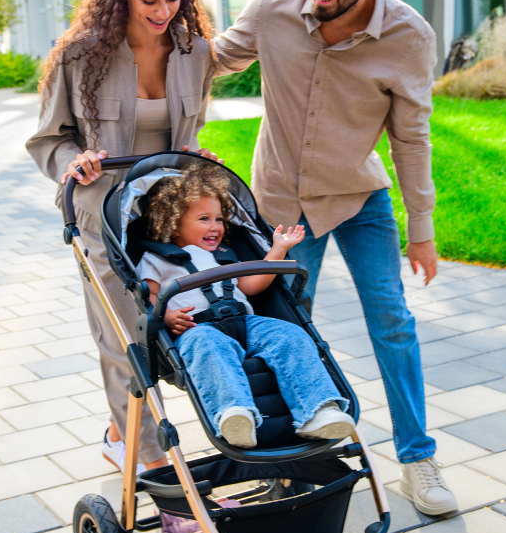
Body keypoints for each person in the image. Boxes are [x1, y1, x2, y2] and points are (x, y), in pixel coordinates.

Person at [212, 0, 457, 513]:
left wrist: (421, 230)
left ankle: (418, 458)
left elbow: (411, 137)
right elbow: (211, 62)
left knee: (393, 321)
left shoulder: (408, 37)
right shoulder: (274, 8)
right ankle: (294, 461)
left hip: (357, 196)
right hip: (281, 206)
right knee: (284, 329)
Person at [27, 0, 215, 474]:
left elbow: (187, 131)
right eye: (149, 0)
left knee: (182, 325)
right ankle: (155, 466)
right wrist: (73, 160)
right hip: (101, 214)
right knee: (124, 334)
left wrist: (195, 154)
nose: (163, 12)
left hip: (166, 215)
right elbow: (48, 140)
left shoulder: (195, 53)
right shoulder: (81, 54)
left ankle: (119, 430)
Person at [137, 160, 354, 448]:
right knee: (208, 347)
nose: (215, 226)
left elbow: (251, 285)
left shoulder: (224, 255)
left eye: (218, 219)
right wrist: (164, 317)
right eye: (204, 219)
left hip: (246, 322)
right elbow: (149, 297)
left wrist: (278, 249)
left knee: (290, 336)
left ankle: (318, 411)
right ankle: (233, 414)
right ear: (174, 223)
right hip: (196, 327)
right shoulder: (156, 259)